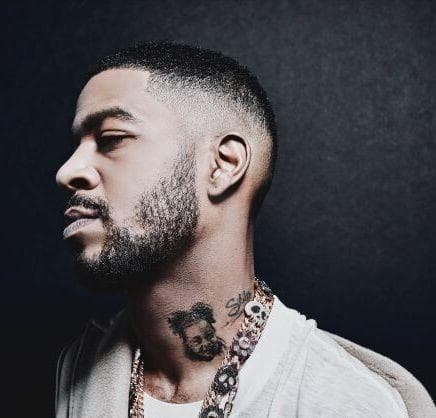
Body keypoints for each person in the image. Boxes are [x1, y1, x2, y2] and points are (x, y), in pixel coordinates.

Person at [55, 41, 434, 418]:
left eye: (112, 139)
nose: (67, 171)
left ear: (224, 165)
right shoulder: (79, 371)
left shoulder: (344, 403)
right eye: (77, 145)